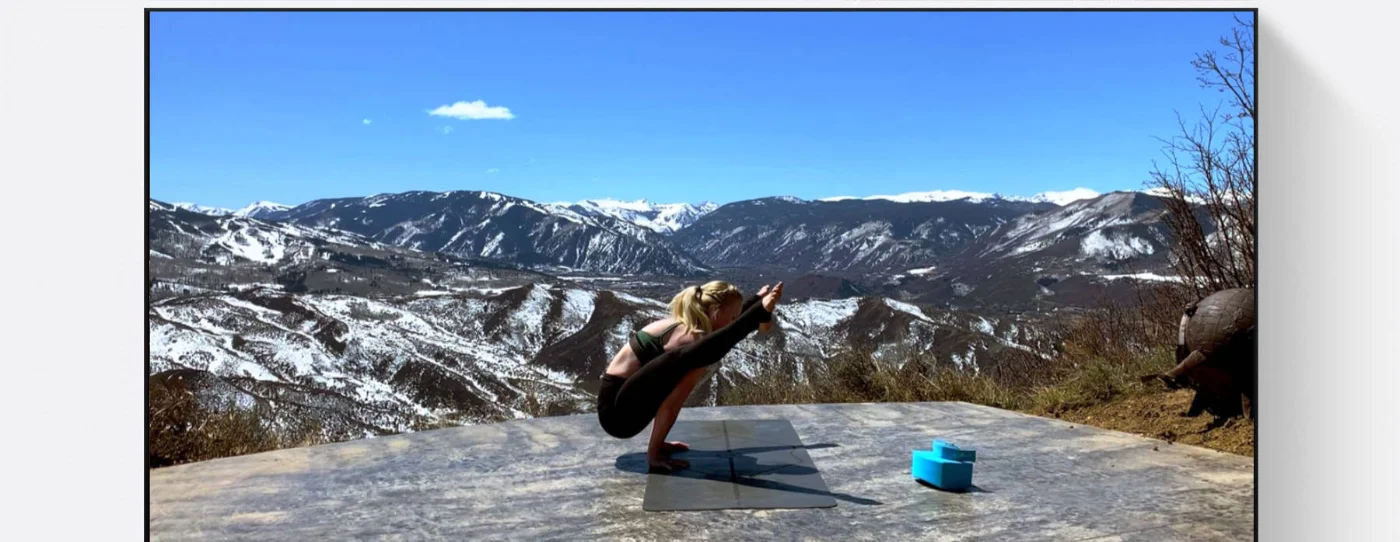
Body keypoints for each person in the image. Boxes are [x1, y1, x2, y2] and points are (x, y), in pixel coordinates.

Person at [596, 280, 783, 473]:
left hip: (620, 402)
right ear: (715, 310)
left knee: (709, 347)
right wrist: (654, 454)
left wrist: (755, 300)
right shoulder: (692, 340)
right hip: (618, 416)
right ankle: (756, 313)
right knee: (705, 350)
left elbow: (726, 328)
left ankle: (756, 310)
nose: (733, 321)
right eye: (733, 316)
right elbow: (671, 404)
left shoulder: (683, 326)